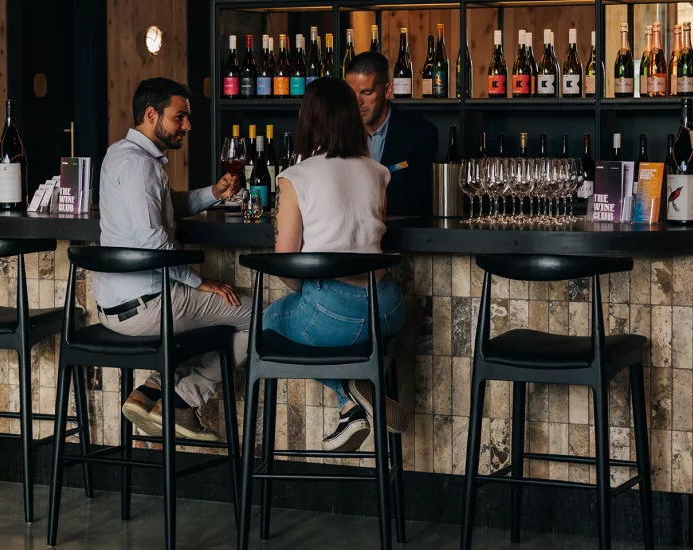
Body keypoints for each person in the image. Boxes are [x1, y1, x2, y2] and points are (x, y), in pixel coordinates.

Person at [97, 77, 249, 442]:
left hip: (114, 305)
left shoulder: (120, 154)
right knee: (259, 316)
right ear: (152, 114)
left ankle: (153, 388)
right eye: (180, 117)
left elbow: (167, 205)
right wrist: (200, 281)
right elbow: (155, 242)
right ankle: (183, 399)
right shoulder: (141, 165)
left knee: (207, 320)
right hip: (147, 305)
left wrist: (213, 194)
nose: (188, 125)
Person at [265, 77, 410, 452]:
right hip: (389, 309)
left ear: (308, 118)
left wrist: (309, 295)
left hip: (335, 317)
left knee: (265, 324)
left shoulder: (296, 177)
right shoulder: (378, 172)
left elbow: (286, 262)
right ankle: (351, 404)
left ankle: (348, 388)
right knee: (318, 318)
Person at [344, 52, 438, 217]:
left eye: (367, 93)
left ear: (387, 90)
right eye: (352, 94)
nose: (358, 102)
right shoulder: (341, 132)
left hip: (402, 236)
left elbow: (417, 199)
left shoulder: (420, 133)